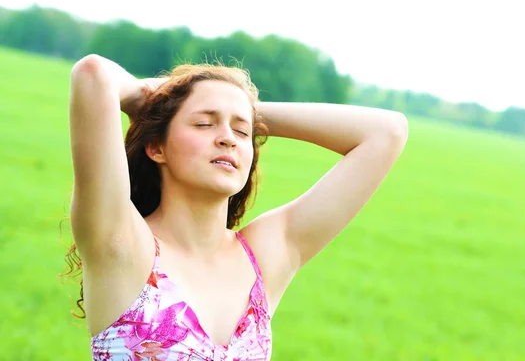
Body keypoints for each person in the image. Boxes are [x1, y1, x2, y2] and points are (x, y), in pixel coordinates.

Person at [66, 53, 408, 360]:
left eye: (243, 132)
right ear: (157, 147)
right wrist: (152, 98)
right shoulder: (122, 243)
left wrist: (247, 107)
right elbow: (94, 75)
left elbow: (387, 131)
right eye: (204, 123)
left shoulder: (264, 255)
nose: (228, 137)